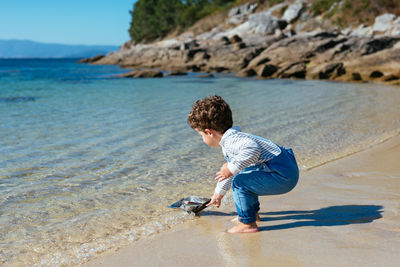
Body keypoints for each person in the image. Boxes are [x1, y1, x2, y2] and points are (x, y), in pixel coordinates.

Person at [187, 95, 299, 233]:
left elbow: (252, 149)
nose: (203, 140)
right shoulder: (233, 138)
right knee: (244, 174)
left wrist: (230, 168)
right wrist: (218, 193)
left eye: (201, 136)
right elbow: (233, 171)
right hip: (286, 168)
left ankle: (248, 223)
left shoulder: (232, 141)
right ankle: (252, 215)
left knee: (239, 182)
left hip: (282, 174)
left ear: (209, 133)